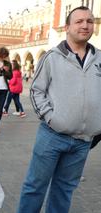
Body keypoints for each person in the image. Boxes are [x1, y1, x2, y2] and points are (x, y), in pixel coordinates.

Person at [17, 6, 101, 213]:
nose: (85, 25)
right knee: (35, 187)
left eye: (89, 21)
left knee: (64, 189)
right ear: (67, 27)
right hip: (52, 136)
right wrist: (51, 118)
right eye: (79, 21)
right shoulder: (52, 57)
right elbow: (37, 91)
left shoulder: (99, 58)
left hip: (83, 141)